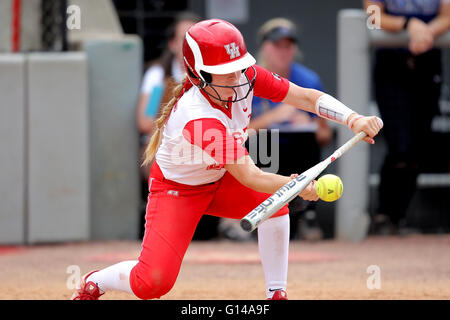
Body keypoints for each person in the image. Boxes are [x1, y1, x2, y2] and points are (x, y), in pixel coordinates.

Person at [72, 19, 382, 301]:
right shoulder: (196, 116)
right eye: (224, 72)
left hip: (220, 179)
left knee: (275, 203)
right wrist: (298, 185)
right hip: (178, 191)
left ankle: (277, 293)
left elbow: (305, 97)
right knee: (152, 283)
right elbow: (249, 175)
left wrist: (352, 118)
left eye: (238, 67)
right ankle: (95, 281)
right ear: (199, 75)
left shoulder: (244, 76)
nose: (236, 77)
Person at [364, 0, 450, 234]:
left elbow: (447, 14)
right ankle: (384, 215)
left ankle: (397, 218)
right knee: (400, 146)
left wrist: (426, 32)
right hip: (392, 64)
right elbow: (373, 16)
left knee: (419, 148)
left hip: (427, 59)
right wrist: (410, 24)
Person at [136, 12, 220, 240]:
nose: (190, 46)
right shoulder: (159, 77)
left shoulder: (214, 76)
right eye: (184, 40)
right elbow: (144, 120)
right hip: (167, 149)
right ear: (173, 44)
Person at [249, 18, 332, 240]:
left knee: (307, 142)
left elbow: (325, 135)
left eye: (288, 46)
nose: (284, 52)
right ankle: (256, 214)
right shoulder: (247, 79)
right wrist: (272, 117)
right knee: (262, 141)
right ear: (265, 46)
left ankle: (307, 216)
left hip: (297, 154)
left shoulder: (308, 80)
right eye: (277, 45)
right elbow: (235, 134)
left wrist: (309, 123)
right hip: (263, 153)